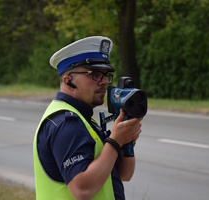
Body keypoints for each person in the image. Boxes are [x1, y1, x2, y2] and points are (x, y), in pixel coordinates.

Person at [33, 36, 143, 200]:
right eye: (95, 74)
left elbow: (124, 174)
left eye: (106, 75)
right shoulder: (66, 123)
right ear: (69, 81)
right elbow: (82, 189)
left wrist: (125, 141)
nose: (104, 81)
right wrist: (114, 142)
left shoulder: (84, 120)